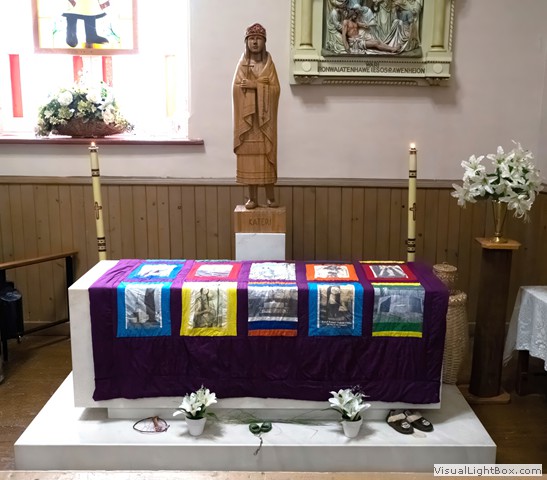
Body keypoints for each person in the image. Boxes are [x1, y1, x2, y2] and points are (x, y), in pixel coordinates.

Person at [233, 23, 281, 209]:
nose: (254, 42)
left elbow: (276, 90)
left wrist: (256, 86)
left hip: (264, 122)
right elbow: (236, 89)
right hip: (248, 122)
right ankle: (251, 198)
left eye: (258, 39)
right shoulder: (242, 65)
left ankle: (270, 197)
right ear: (246, 42)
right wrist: (253, 86)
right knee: (249, 159)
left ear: (264, 42)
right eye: (251, 39)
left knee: (266, 158)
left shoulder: (269, 65)